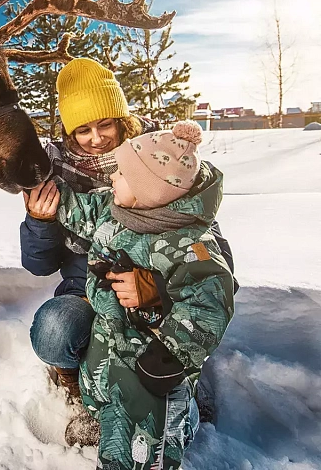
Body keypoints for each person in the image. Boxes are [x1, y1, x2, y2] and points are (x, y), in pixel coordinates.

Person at [20, 58, 235, 443]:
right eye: (82, 129)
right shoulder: (57, 171)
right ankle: (86, 396)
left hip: (158, 296)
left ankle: (179, 392)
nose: (96, 138)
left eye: (105, 124)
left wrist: (154, 288)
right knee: (56, 330)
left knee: (164, 351)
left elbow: (209, 259)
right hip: (88, 288)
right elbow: (41, 261)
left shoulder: (159, 160)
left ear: (122, 118)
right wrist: (40, 220)